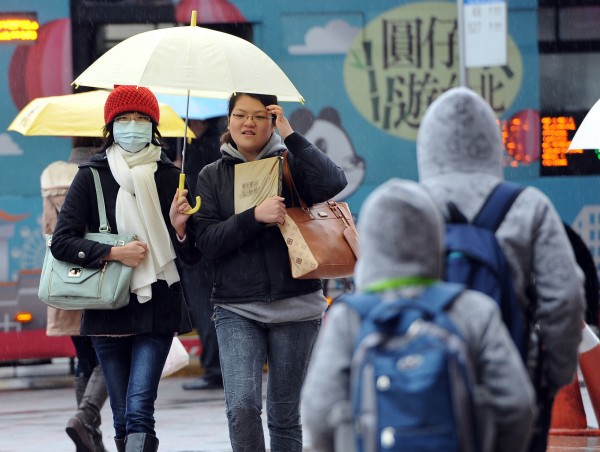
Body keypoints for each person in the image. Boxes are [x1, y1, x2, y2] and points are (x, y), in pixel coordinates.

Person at [301, 178, 536, 452]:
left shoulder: (348, 318)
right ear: (435, 237)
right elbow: (517, 405)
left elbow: (318, 413)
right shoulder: (473, 310)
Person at [170, 92, 347, 452]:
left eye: (259, 116)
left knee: (284, 414)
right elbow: (209, 244)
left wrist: (293, 136)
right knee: (242, 408)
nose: (247, 123)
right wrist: (253, 217)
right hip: (237, 308)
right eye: (239, 115)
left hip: (297, 306)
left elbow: (333, 182)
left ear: (273, 121)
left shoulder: (291, 164)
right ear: (229, 122)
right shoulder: (210, 175)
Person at [416, 86, 586, 452]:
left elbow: (372, 296)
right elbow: (566, 296)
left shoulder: (405, 204)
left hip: (422, 385)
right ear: (492, 142)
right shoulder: (529, 206)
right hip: (512, 383)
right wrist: (548, 377)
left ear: (426, 145)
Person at [50, 85, 193, 452]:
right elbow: (62, 241)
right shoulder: (91, 175)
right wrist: (115, 254)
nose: (133, 126)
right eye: (124, 119)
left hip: (157, 305)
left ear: (154, 125)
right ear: (111, 125)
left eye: (142, 118)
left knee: (139, 409)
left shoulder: (169, 176)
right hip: (107, 308)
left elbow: (192, 254)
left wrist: (180, 228)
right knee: (121, 414)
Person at [42, 142, 109, 452]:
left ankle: (90, 437)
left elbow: (48, 228)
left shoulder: (50, 175)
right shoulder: (97, 174)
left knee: (84, 357)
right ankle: (85, 418)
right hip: (97, 272)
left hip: (63, 278)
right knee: (110, 353)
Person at [178, 117, 225, 391]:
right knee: (207, 306)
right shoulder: (194, 145)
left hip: (201, 242)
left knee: (206, 305)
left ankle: (215, 368)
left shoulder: (205, 150)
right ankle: (216, 366)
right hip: (203, 241)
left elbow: (197, 194)